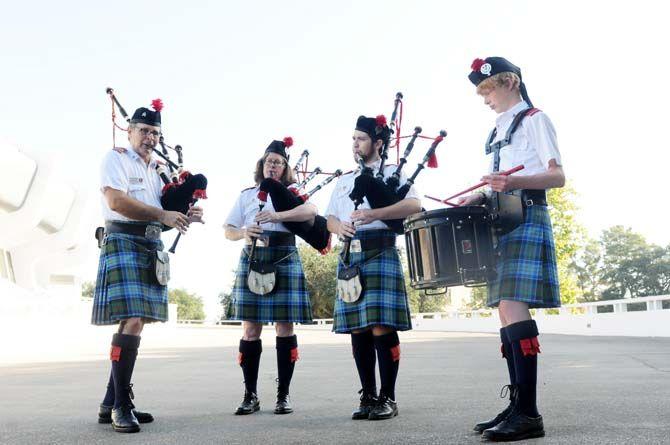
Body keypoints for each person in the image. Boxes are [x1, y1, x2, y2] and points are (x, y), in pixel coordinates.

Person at [460, 57, 565, 441]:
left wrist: (509, 183)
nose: (485, 98)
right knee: (505, 310)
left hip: (526, 213)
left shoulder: (535, 118)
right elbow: (500, 180)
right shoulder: (497, 128)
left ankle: (529, 413)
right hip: (500, 217)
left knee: (512, 305)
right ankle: (518, 404)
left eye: (489, 89)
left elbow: (557, 175)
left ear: (511, 83)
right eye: (482, 92)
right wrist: (480, 193)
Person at [92, 102, 203, 433]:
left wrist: (181, 216)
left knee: (135, 321)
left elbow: (159, 215)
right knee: (134, 320)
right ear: (130, 132)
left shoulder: (157, 170)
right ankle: (122, 405)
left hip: (149, 243)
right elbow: (116, 202)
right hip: (123, 240)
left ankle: (110, 403)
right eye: (144, 130)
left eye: (155, 132)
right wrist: (162, 215)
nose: (150, 137)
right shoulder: (116, 159)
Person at [325, 115, 421, 420]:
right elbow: (328, 218)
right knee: (359, 328)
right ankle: (367, 395)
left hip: (380, 249)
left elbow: (413, 205)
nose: (355, 144)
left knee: (381, 325)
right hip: (350, 254)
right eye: (353, 138)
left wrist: (373, 213)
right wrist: (338, 227)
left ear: (378, 143)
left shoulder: (394, 172)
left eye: (361, 139)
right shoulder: (344, 180)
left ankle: (388, 397)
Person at [224, 138, 316, 415]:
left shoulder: (292, 191)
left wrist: (278, 216)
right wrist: (243, 233)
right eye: (268, 161)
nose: (272, 166)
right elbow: (228, 229)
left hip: (285, 256)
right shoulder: (247, 194)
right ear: (261, 165)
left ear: (285, 167)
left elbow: (310, 211)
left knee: (284, 329)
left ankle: (283, 395)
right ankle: (249, 394)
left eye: (277, 162)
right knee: (250, 330)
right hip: (253, 257)